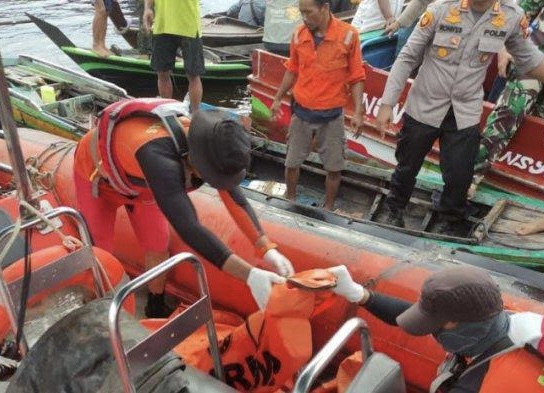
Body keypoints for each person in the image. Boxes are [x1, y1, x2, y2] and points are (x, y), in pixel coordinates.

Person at [73, 98, 295, 318]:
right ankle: (98, 313)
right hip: (98, 181)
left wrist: (267, 248)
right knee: (99, 254)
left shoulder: (210, 146)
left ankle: (155, 307)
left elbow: (236, 200)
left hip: (142, 188)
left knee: (158, 244)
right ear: (195, 160)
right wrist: (250, 275)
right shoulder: (156, 155)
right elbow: (189, 227)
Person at [375, 0, 544, 228]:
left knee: (459, 177)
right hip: (425, 106)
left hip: (464, 111)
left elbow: (532, 62)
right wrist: (387, 104)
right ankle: (394, 210)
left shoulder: (511, 16)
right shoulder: (441, 9)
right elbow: (407, 57)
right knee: (407, 166)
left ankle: (450, 221)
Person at [327, 265, 544, 392]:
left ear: (464, 327)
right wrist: (358, 294)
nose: (434, 334)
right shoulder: (496, 318)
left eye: (436, 328)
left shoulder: (482, 384)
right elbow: (411, 315)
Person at [270, 0, 366, 210]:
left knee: (334, 167)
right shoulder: (298, 34)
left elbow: (357, 76)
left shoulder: (349, 35)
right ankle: (290, 199)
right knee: (292, 162)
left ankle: (328, 207)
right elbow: (292, 69)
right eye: (301, 12)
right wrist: (278, 98)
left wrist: (359, 112)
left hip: (332, 116)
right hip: (302, 112)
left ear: (325, 8)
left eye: (309, 12)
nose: (305, 17)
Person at [468, 3, 544, 198]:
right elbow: (510, 17)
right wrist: (503, 48)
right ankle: (470, 177)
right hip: (531, 62)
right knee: (508, 115)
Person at [143, 0, 204, 111]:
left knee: (193, 74)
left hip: (189, 24)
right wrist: (148, 8)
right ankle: (167, 111)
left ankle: (196, 115)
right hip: (162, 24)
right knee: (162, 72)